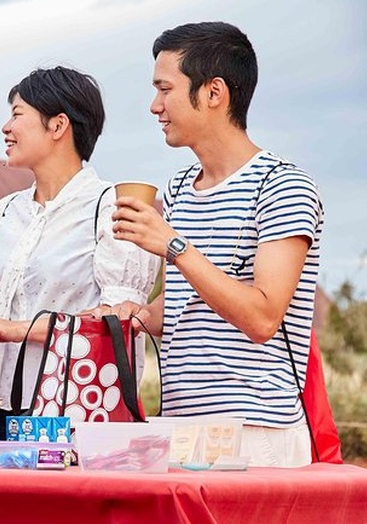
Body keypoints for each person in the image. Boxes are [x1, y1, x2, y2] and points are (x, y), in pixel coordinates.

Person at [100, 22, 323, 467]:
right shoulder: (181, 187)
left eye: (165, 89)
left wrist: (174, 247)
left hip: (257, 431)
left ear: (214, 92)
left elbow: (262, 317)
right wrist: (138, 317)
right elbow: (188, 302)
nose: (154, 106)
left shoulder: (282, 187)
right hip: (182, 426)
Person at [0, 67, 160, 438]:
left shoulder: (111, 208)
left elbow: (116, 326)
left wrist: (18, 331)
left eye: (17, 114)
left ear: (58, 126)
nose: (6, 127)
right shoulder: (7, 210)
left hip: (75, 412)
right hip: (1, 408)